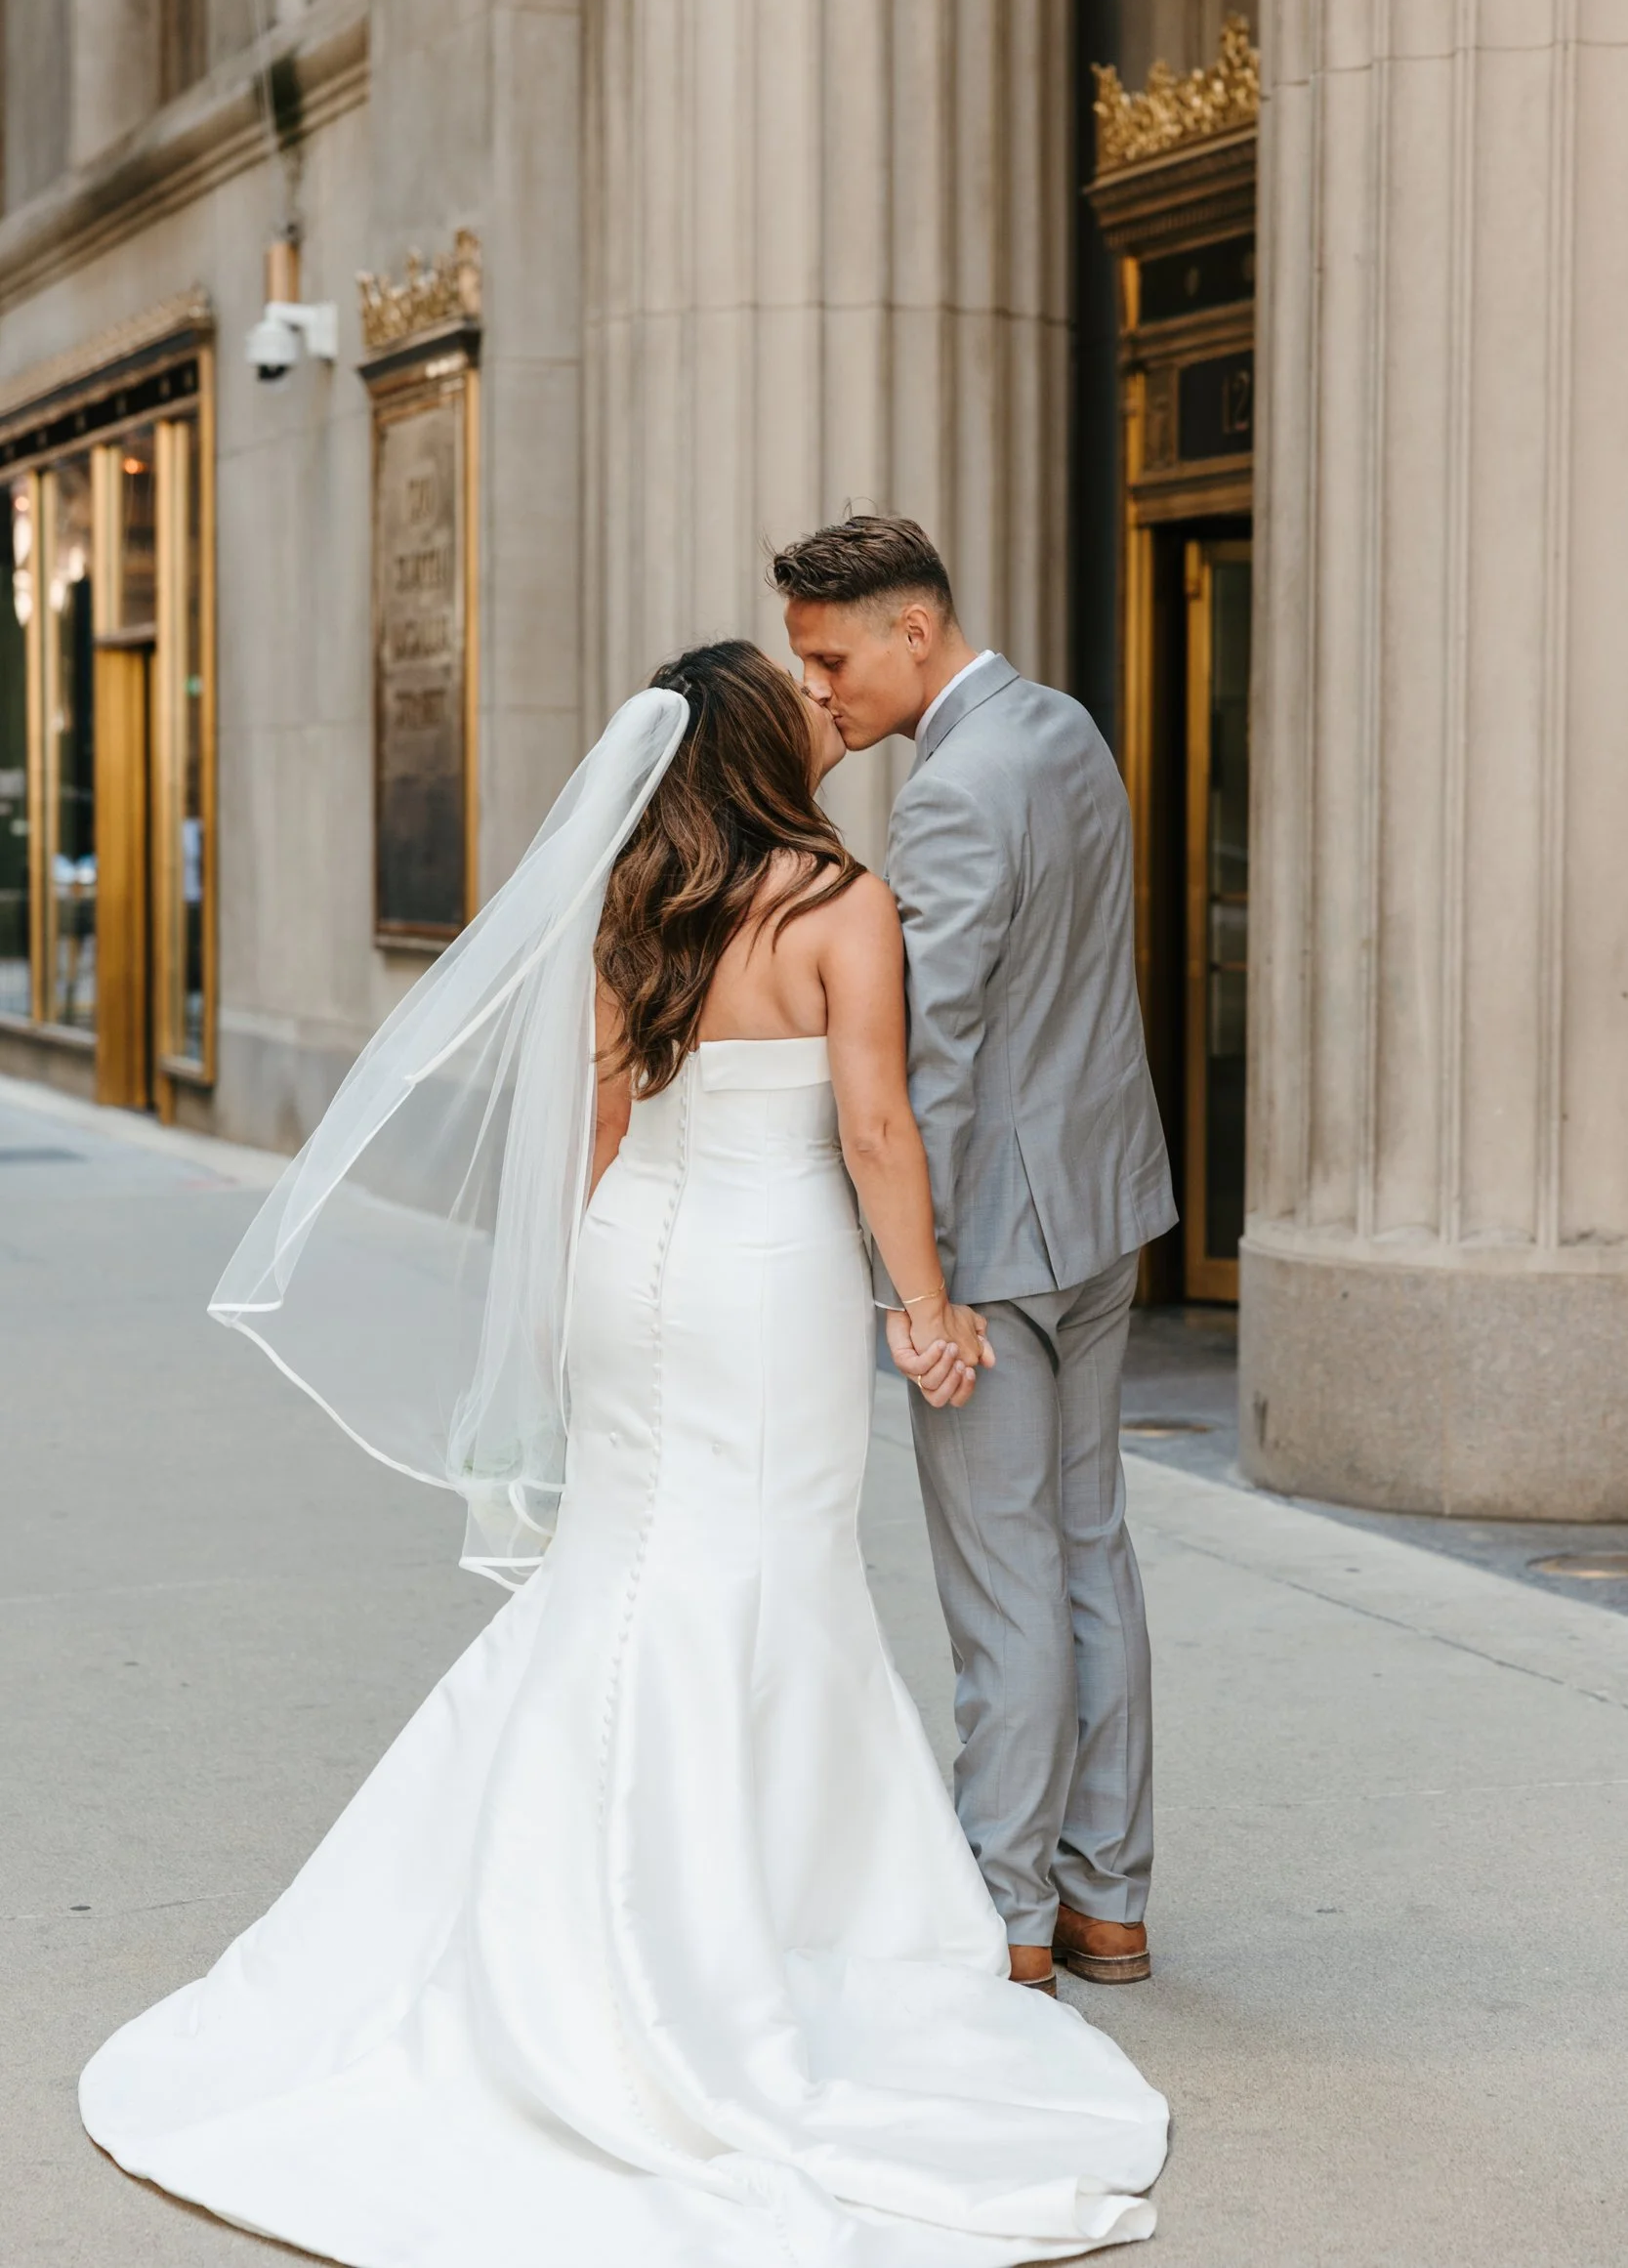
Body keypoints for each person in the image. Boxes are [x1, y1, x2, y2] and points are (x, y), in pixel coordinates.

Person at [79, 641, 1166, 2267]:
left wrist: (567, 1310)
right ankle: (737, 1933)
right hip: (770, 1279)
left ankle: (572, 1900)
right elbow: (875, 1128)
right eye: (799, 706)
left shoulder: (633, 894)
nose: (824, 717)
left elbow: (596, 1125)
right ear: (761, 749)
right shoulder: (835, 905)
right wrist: (924, 1309)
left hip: (634, 1264)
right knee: (770, 1573)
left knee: (628, 1563)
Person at [778, 520, 1177, 1999]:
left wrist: (912, 1291)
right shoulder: (1062, 727)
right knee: (1090, 1556)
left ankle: (1008, 1924)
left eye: (832, 658)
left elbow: (920, 1064)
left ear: (915, 629)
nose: (820, 691)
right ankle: (1108, 1902)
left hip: (997, 1249)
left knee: (1004, 1585)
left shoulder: (952, 792)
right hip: (1104, 1207)